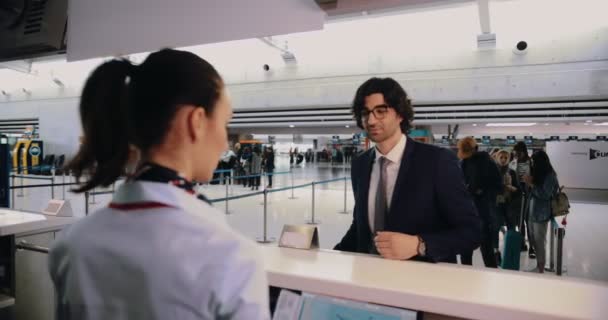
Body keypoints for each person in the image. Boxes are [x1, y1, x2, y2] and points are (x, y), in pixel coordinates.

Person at [48, 49, 270, 319]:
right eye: (225, 123)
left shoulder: (72, 245)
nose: (225, 142)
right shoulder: (232, 258)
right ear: (196, 121)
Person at [334, 77, 481, 263]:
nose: (371, 120)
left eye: (381, 111)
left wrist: (419, 244)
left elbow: (471, 232)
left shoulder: (436, 161)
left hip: (420, 283)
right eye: (365, 113)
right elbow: (360, 228)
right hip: (368, 279)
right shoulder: (360, 165)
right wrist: (324, 259)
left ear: (400, 114)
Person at [457, 137, 503, 268]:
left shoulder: (487, 162)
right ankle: (468, 276)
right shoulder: (464, 162)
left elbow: (498, 186)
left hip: (483, 210)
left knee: (485, 248)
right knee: (467, 249)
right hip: (468, 211)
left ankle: (490, 273)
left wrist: (482, 191)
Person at [522, 151, 559, 273]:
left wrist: (531, 184)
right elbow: (530, 193)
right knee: (533, 240)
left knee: (539, 241)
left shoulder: (550, 175)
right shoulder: (537, 173)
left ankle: (541, 268)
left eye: (534, 161)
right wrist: (529, 183)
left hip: (541, 214)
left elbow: (545, 194)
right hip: (531, 213)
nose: (532, 164)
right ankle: (539, 265)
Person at [510, 141, 534, 257]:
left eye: (519, 153)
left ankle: (532, 247)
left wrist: (530, 183)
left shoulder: (531, 162)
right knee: (520, 222)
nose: (517, 155)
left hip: (529, 194)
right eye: (516, 153)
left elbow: (535, 178)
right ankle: (522, 243)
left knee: (529, 221)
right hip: (518, 195)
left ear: (524, 151)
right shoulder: (513, 163)